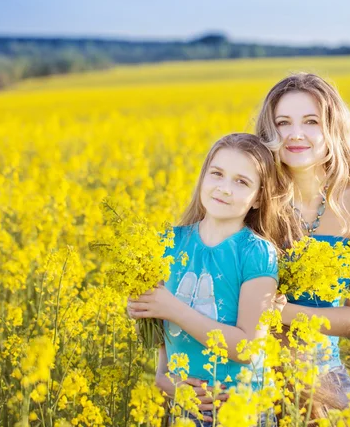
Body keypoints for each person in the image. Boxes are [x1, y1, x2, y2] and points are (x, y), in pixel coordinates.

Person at [126, 133, 298, 427]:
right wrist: (169, 383)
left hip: (241, 411)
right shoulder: (168, 243)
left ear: (258, 197)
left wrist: (172, 308)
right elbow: (162, 348)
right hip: (184, 408)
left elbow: (248, 347)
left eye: (241, 181)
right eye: (217, 174)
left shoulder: (256, 253)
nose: (224, 188)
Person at [255, 73, 350, 416]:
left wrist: (280, 313)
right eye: (283, 122)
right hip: (248, 382)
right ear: (269, 132)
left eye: (311, 121)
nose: (296, 134)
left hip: (321, 385)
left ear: (333, 128)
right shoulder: (253, 195)